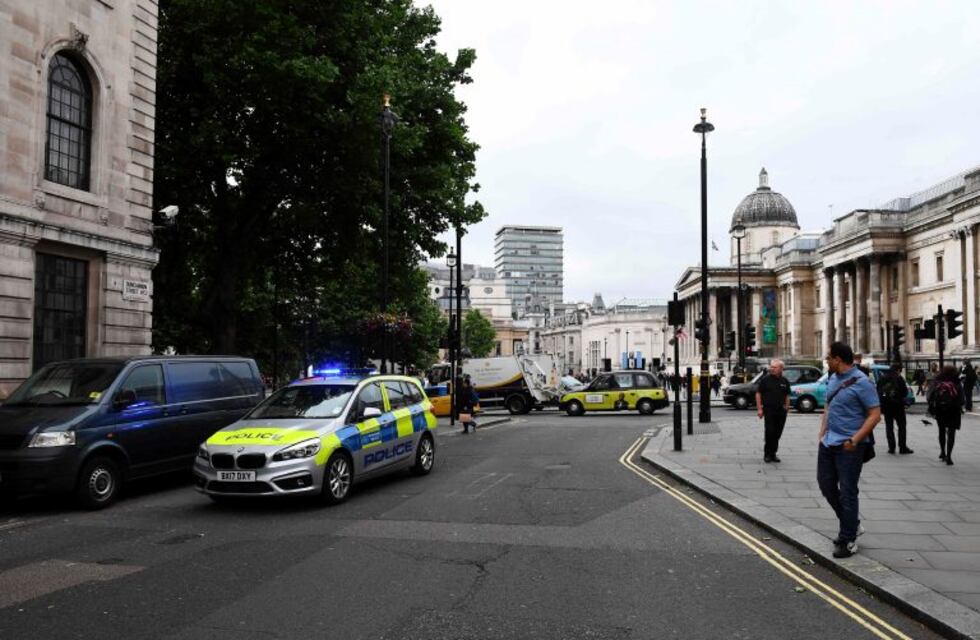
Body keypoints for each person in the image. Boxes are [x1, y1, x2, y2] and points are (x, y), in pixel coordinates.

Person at [817, 342, 881, 559]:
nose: (827, 361)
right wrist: (822, 433)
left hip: (850, 446)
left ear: (838, 359)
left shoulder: (862, 382)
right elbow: (828, 405)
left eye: (829, 358)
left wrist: (855, 440)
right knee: (826, 485)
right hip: (828, 442)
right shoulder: (832, 378)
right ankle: (852, 523)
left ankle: (848, 539)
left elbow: (875, 415)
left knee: (847, 491)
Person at [756, 359, 791, 463]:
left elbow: (787, 395)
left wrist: (786, 407)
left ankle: (773, 453)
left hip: (781, 411)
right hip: (769, 410)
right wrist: (759, 409)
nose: (771, 369)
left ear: (781, 368)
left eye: (774, 367)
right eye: (771, 366)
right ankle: (767, 454)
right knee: (770, 432)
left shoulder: (784, 381)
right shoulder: (765, 380)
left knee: (777, 433)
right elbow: (758, 394)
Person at [928, 365, 963, 465]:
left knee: (941, 431)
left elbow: (930, 395)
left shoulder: (938, 380)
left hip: (940, 410)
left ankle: (942, 452)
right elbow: (962, 399)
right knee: (951, 433)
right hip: (954, 410)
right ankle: (949, 456)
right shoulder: (957, 381)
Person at [877, 363, 912, 455]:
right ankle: (902, 447)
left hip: (886, 406)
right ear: (898, 370)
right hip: (898, 406)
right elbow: (905, 392)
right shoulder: (899, 378)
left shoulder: (882, 378)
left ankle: (891, 447)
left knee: (889, 427)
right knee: (902, 426)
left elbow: (878, 391)